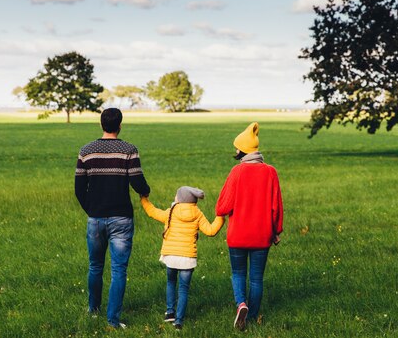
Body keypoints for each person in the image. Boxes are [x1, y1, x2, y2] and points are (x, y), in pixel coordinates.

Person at [74, 108, 151, 329]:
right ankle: (113, 320)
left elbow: (79, 189)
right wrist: (146, 191)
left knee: (95, 265)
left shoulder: (86, 151)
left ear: (101, 124)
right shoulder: (129, 150)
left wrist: (91, 209)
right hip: (122, 218)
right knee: (119, 270)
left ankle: (93, 309)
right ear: (120, 125)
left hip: (95, 218)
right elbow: (138, 182)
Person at [215, 122, 284, 331]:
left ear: (243, 150)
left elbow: (223, 207)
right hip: (262, 235)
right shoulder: (270, 172)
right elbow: (276, 206)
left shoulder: (237, 172)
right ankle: (252, 318)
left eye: (237, 147)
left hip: (238, 236)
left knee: (237, 273)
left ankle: (241, 304)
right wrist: (276, 231)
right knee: (256, 278)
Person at [140, 186, 224, 330]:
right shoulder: (197, 213)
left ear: (179, 199)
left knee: (171, 282)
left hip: (171, 256)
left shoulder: (171, 212)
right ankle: (178, 322)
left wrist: (144, 199)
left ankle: (170, 312)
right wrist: (221, 215)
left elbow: (153, 212)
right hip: (187, 258)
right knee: (183, 289)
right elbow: (211, 231)